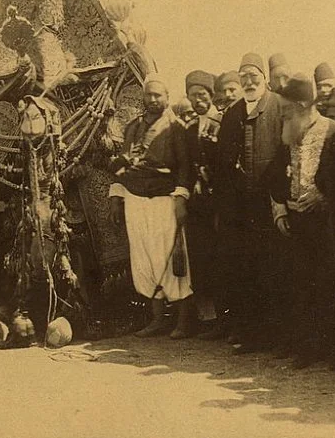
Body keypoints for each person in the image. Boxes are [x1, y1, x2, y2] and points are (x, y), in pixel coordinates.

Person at [269, 73, 335, 369]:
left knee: (329, 284)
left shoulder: (334, 131)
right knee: (301, 284)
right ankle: (307, 348)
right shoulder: (289, 130)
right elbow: (276, 174)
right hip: (296, 221)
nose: (284, 114)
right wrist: (279, 208)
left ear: (303, 103)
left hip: (326, 221)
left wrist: (324, 198)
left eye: (287, 109)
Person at [109, 76, 193, 338]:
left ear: (167, 97)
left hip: (164, 199)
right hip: (135, 199)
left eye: (158, 95)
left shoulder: (176, 128)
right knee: (144, 257)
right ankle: (158, 319)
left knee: (170, 258)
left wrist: (181, 199)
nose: (153, 100)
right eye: (149, 95)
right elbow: (122, 165)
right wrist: (116, 196)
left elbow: (185, 167)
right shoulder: (133, 127)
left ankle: (184, 321)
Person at [212, 53, 285, 353]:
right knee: (246, 271)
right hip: (241, 209)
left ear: (264, 77)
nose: (249, 81)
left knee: (276, 271)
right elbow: (222, 164)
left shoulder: (280, 106)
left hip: (272, 202)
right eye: (244, 76)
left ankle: (281, 337)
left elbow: (287, 151)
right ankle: (252, 335)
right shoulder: (232, 113)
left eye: (254, 75)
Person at [182, 70, 223, 339]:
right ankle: (208, 318)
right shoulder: (188, 128)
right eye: (194, 95)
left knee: (221, 258)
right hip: (197, 204)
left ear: (211, 96)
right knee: (200, 258)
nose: (199, 100)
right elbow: (185, 165)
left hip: (219, 201)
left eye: (203, 95)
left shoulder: (223, 122)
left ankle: (225, 318)